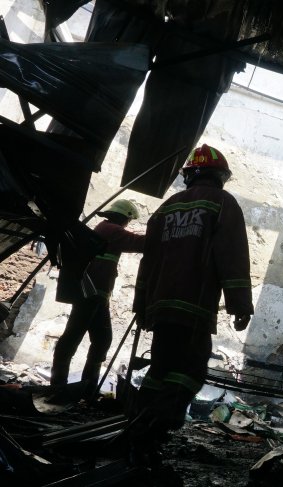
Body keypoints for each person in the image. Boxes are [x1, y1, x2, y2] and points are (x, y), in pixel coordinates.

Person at [130, 143, 254, 464]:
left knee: (160, 369)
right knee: (189, 371)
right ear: (220, 177)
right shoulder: (223, 204)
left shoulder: (166, 208)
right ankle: (155, 431)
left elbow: (149, 261)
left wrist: (142, 305)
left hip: (160, 309)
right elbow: (233, 256)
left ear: (188, 176)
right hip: (194, 308)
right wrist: (240, 304)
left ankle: (138, 425)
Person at [51, 199, 145, 389]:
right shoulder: (111, 230)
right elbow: (139, 243)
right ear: (123, 218)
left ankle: (87, 387)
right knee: (72, 338)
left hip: (97, 297)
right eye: (128, 221)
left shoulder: (104, 228)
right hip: (91, 296)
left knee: (101, 340)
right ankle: (59, 384)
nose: (128, 225)